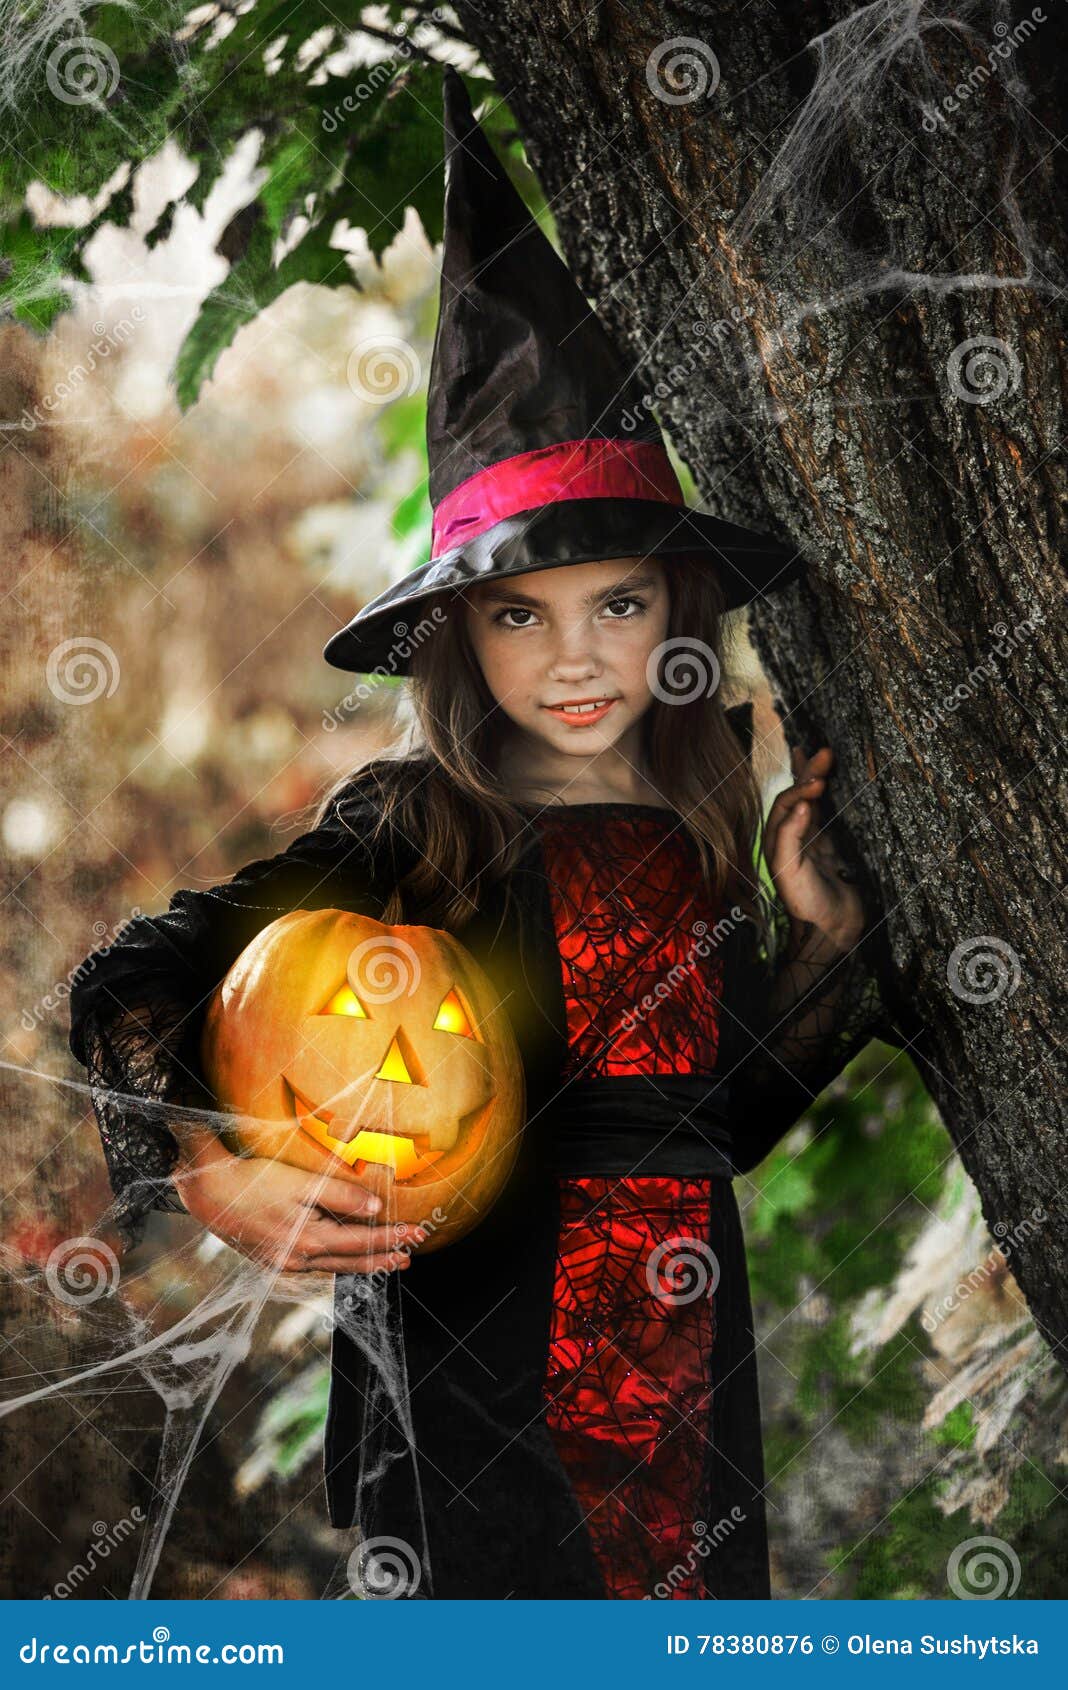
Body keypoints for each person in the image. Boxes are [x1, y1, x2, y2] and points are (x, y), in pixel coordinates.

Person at [67, 68, 897, 1600]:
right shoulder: (420, 828)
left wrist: (827, 940)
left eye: (620, 606)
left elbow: (698, 1132)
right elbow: (143, 967)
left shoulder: (696, 834)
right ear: (457, 633)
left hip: (682, 1405)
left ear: (681, 612)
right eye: (521, 616)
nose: (575, 660)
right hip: (470, 1406)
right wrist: (198, 1164)